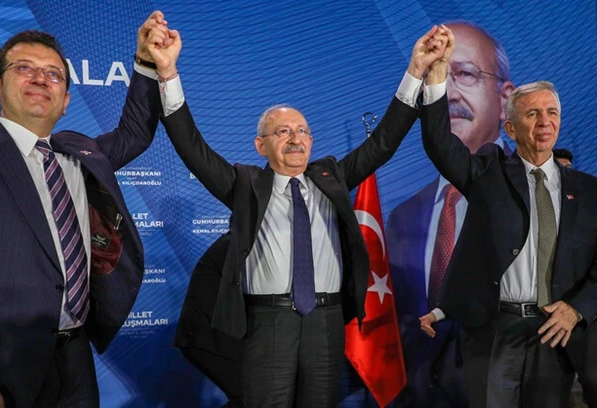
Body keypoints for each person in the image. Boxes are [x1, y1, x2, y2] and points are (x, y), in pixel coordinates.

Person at [145, 20, 448, 407]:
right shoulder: (245, 186)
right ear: (261, 145)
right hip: (269, 324)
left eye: (302, 131)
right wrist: (168, 73)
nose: (295, 138)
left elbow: (384, 141)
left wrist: (416, 71)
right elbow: (192, 147)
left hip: (326, 322)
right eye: (283, 131)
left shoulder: (331, 178)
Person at [0, 12, 170, 408]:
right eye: (24, 68)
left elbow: (134, 133)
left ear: (65, 102)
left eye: (53, 74)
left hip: (76, 358)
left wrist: (147, 63)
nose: (40, 79)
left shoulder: (80, 153)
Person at [419, 25, 597, 408]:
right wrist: (436, 76)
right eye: (533, 113)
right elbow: (440, 144)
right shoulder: (488, 173)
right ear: (511, 128)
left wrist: (577, 308)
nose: (545, 121)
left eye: (552, 112)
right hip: (495, 329)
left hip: (555, 330)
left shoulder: (589, 191)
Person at [386, 21, 515, 407]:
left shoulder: (530, 189)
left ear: (505, 99)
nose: (450, 91)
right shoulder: (403, 216)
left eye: (466, 74)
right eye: (438, 76)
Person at [174, 233, 244, 407]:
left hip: (217, 334)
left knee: (255, 395)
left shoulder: (241, 241)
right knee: (255, 394)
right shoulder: (238, 245)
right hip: (207, 335)